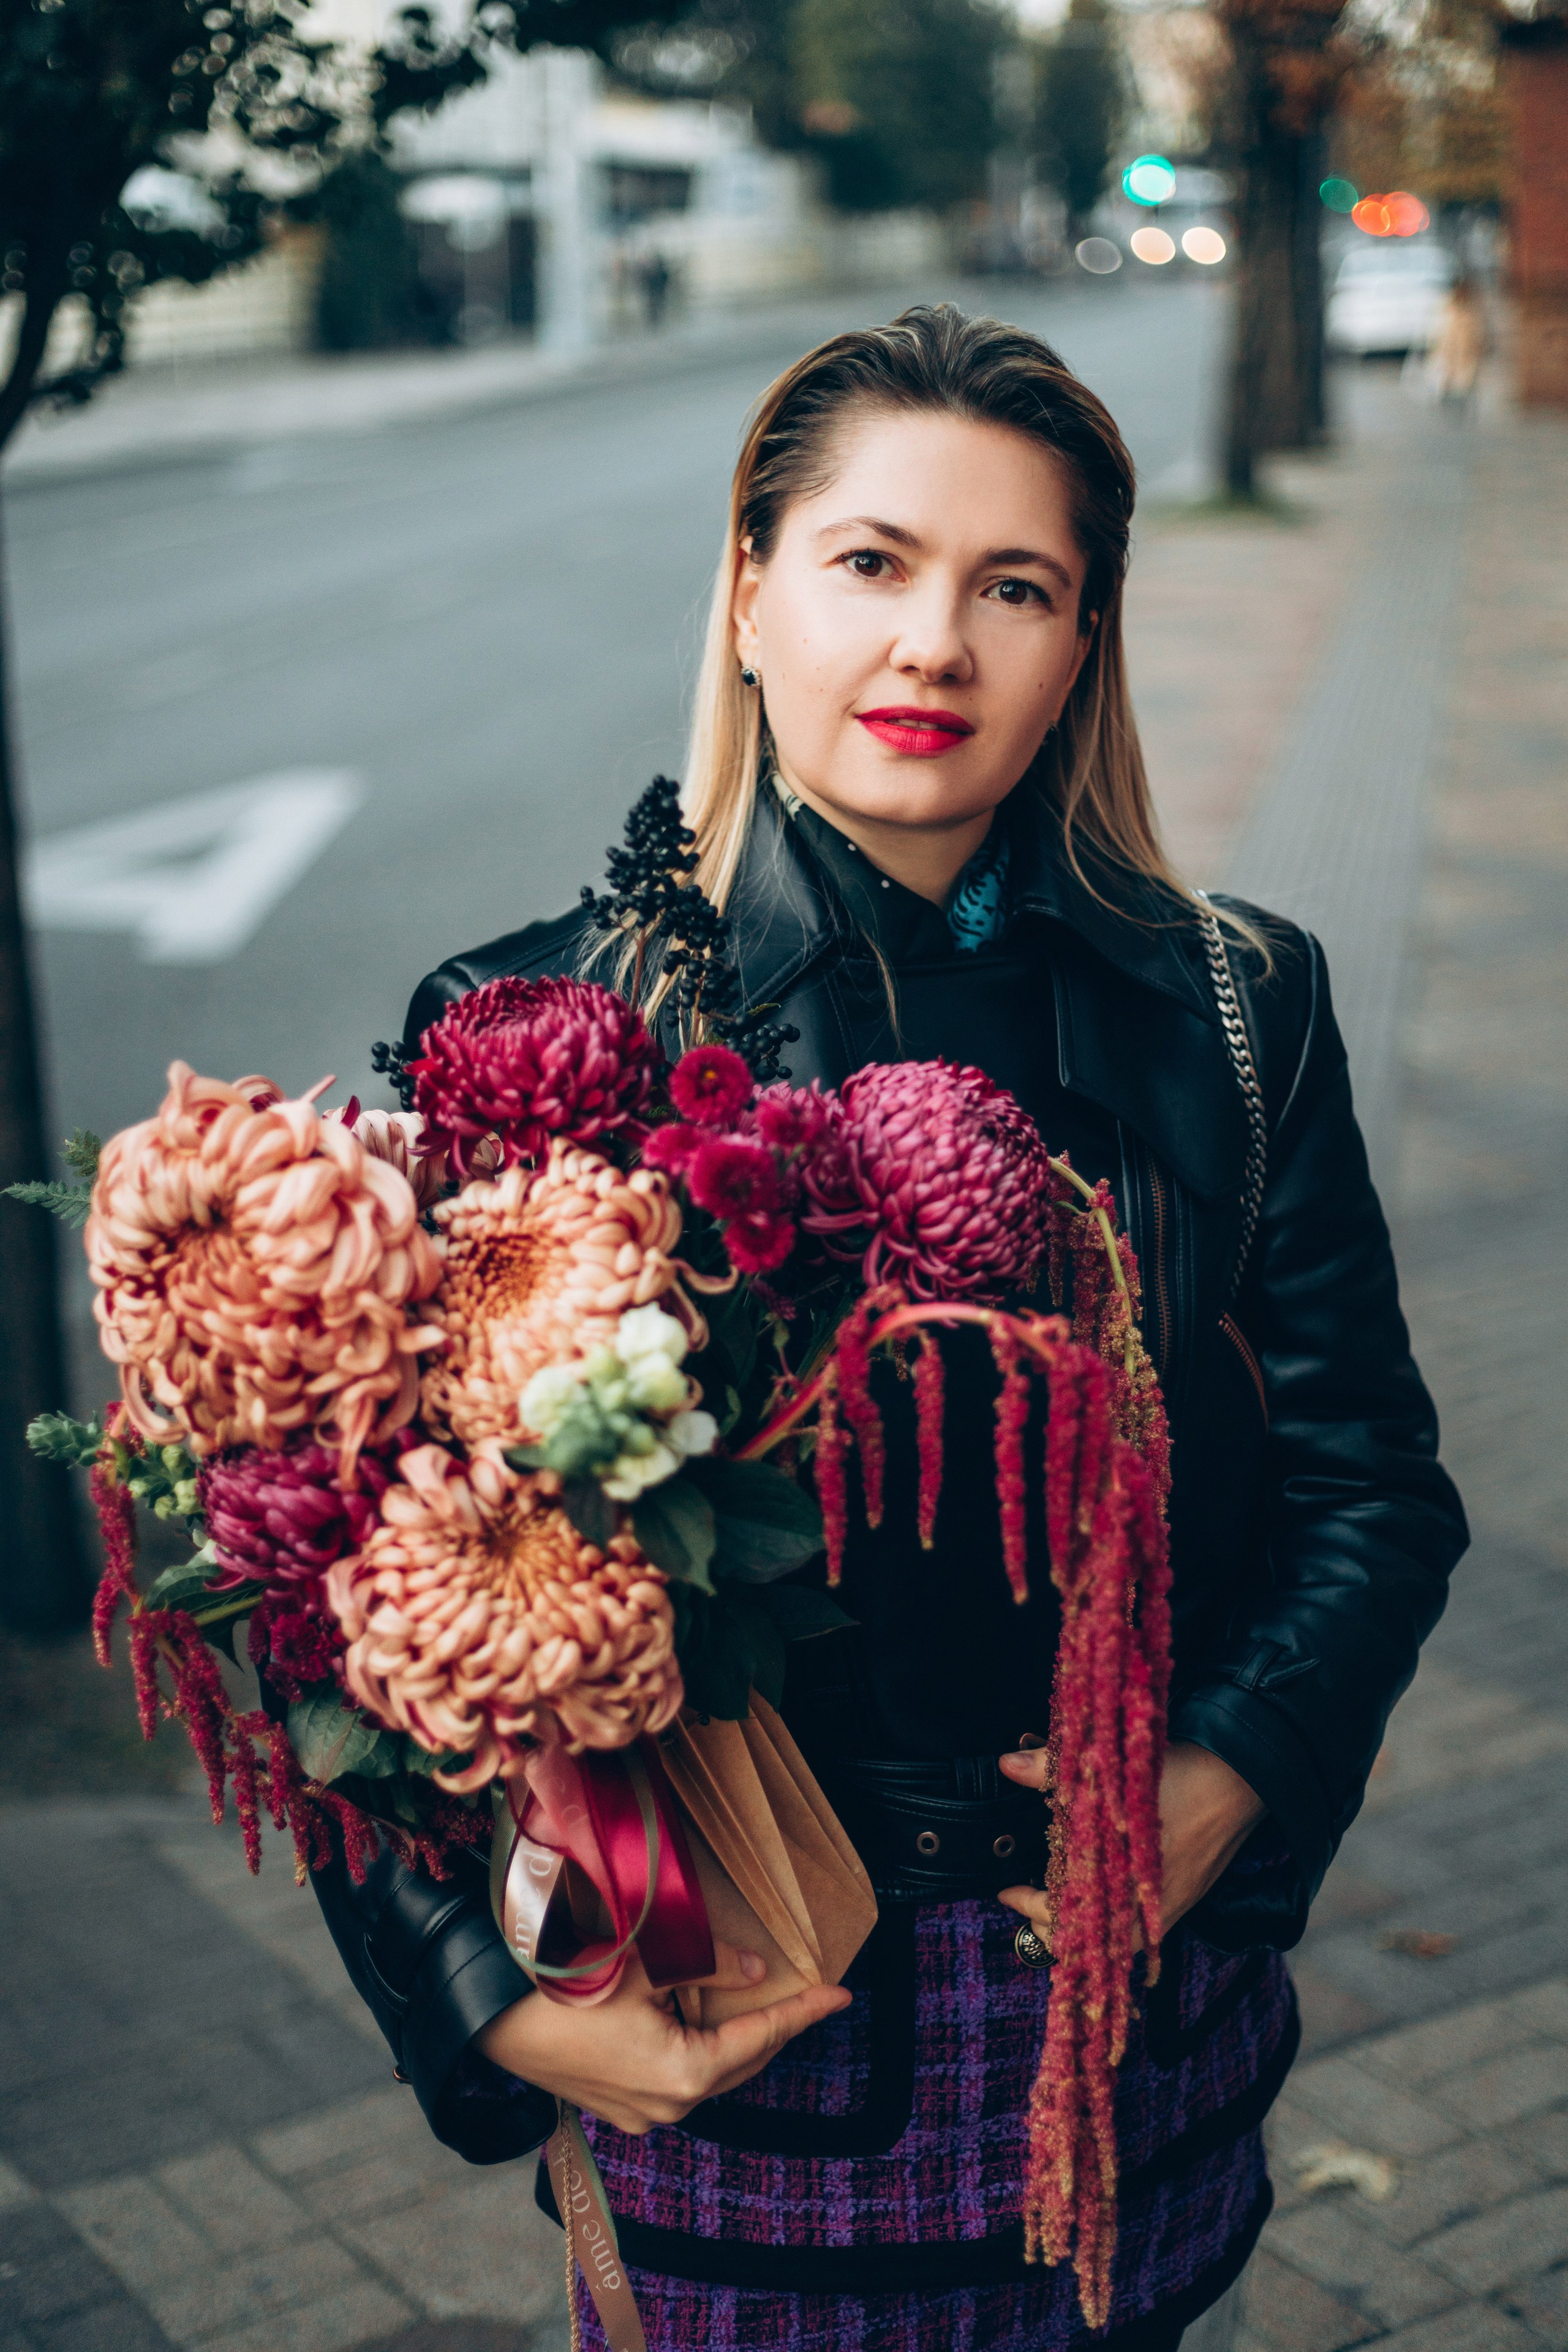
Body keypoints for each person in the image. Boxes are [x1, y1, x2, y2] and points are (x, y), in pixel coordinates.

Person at [311, 305, 1466, 2349]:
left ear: (1080, 644)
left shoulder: (1232, 1004)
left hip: (1130, 2017)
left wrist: (1229, 1776)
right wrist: (483, 2002)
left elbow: (1375, 1476)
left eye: (1012, 587)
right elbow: (336, 1587)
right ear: (750, 591)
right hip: (736, 2017)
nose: (936, 641)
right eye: (872, 562)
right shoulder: (533, 1035)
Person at [1428, 275, 1486, 412]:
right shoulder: (1447, 308)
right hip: (1449, 350)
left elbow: (1478, 331)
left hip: (1465, 351)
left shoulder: (1471, 310)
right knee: (1447, 377)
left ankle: (1462, 404)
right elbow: (1438, 330)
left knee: (1466, 378)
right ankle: (1447, 402)